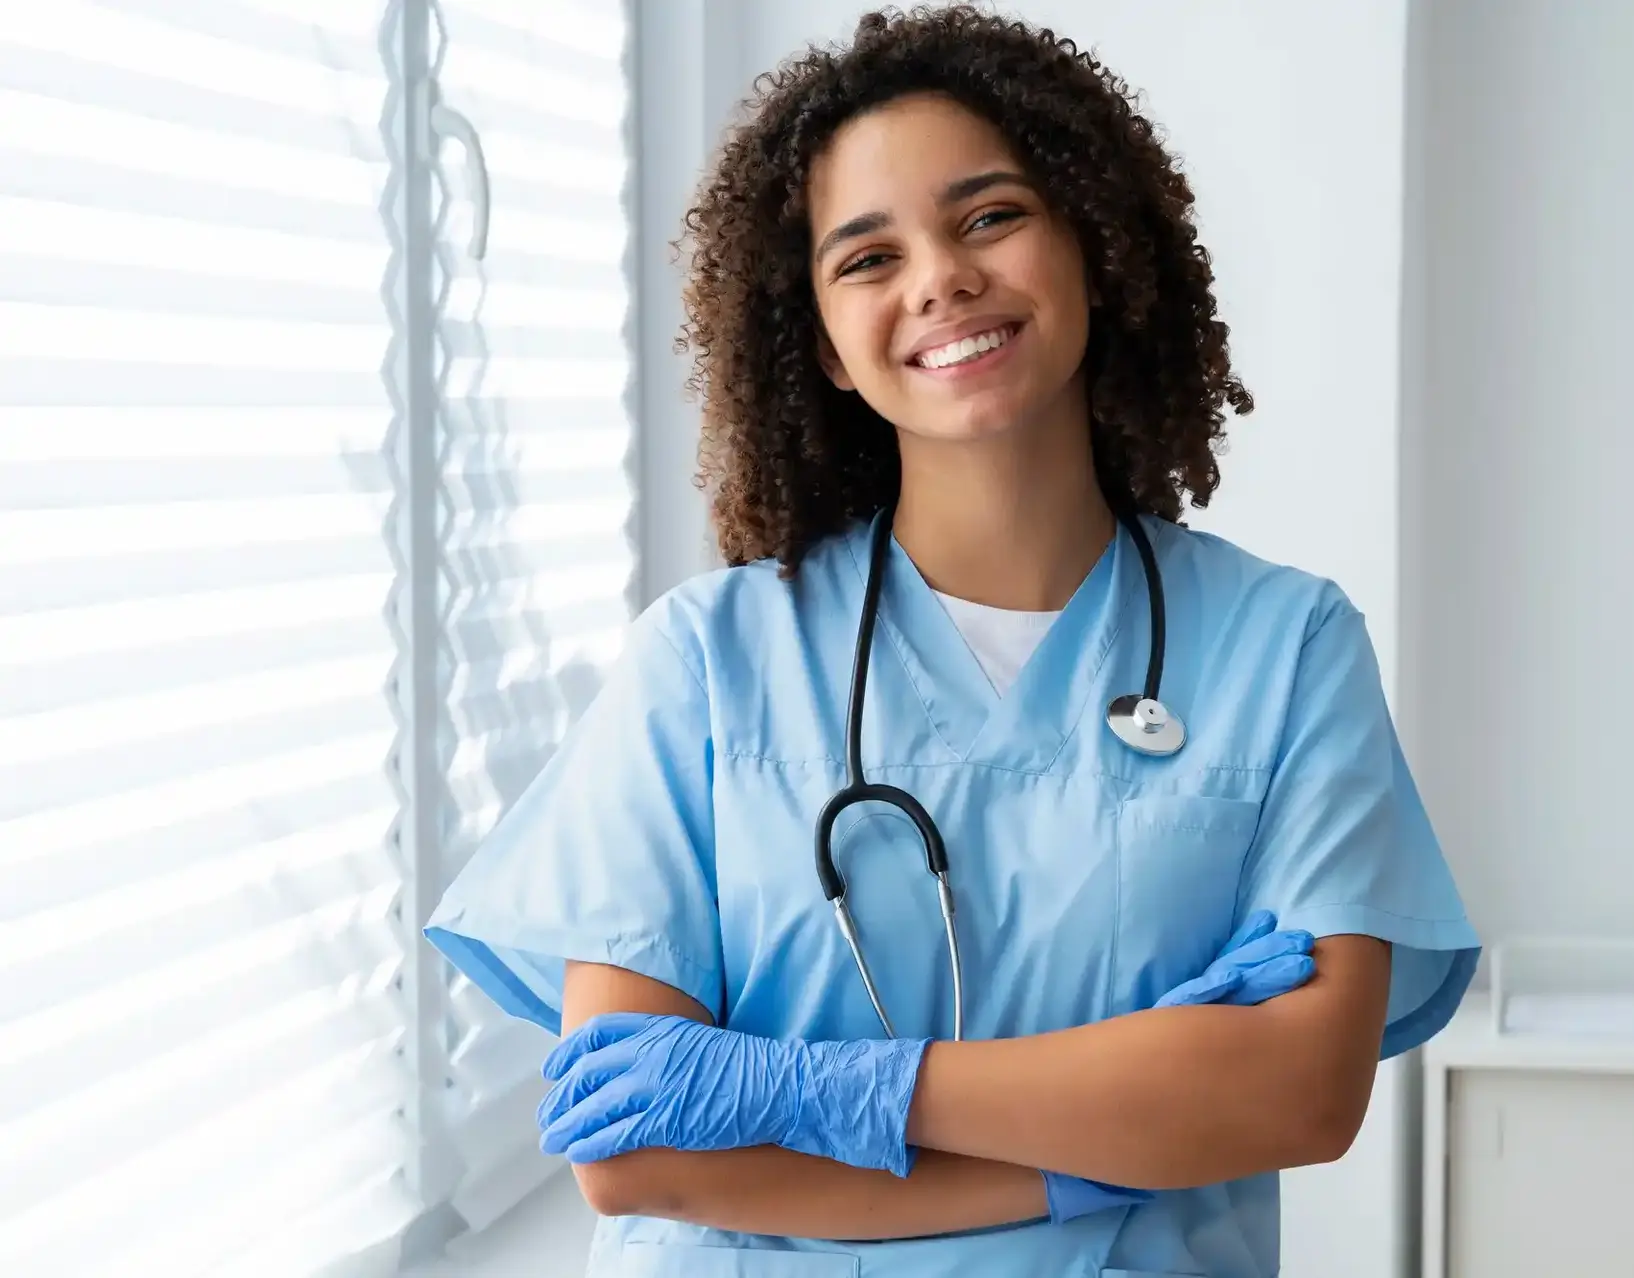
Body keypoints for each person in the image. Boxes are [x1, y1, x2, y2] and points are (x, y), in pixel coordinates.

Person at [424, 7, 1479, 1276]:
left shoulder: (1284, 648)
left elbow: (1301, 1093)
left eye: (990, 217)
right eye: (867, 257)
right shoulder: (706, 665)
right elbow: (642, 1152)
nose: (939, 278)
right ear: (821, 342)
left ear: (1091, 242)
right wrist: (1105, 1152)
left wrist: (823, 1092)